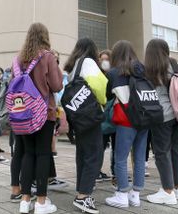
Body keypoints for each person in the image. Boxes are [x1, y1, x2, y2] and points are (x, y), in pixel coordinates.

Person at [14, 23, 63, 214]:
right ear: (45, 36)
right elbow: (57, 85)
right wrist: (55, 65)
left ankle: (25, 201)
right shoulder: (48, 57)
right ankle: (42, 202)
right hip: (44, 113)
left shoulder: (18, 59)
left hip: (22, 113)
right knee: (43, 154)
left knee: (28, 153)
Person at [64, 37, 108, 214]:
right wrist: (103, 101)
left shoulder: (73, 67)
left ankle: (81, 191)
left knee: (82, 154)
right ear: (92, 49)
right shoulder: (88, 62)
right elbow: (99, 87)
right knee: (94, 155)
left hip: (79, 117)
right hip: (90, 115)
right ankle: (83, 197)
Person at [105, 40, 149, 209]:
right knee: (138, 157)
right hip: (145, 119)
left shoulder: (114, 73)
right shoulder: (143, 70)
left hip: (126, 120)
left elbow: (108, 95)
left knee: (120, 158)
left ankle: (122, 194)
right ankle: (135, 195)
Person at [144, 39, 178, 205]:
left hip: (162, 115)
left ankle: (167, 191)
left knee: (162, 153)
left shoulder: (152, 68)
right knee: (176, 151)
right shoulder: (175, 65)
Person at [97, 49, 113, 182]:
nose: (104, 62)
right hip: (102, 115)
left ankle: (115, 170)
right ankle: (97, 170)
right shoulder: (97, 74)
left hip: (113, 114)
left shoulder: (114, 74)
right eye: (102, 59)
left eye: (107, 59)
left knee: (116, 144)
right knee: (100, 144)